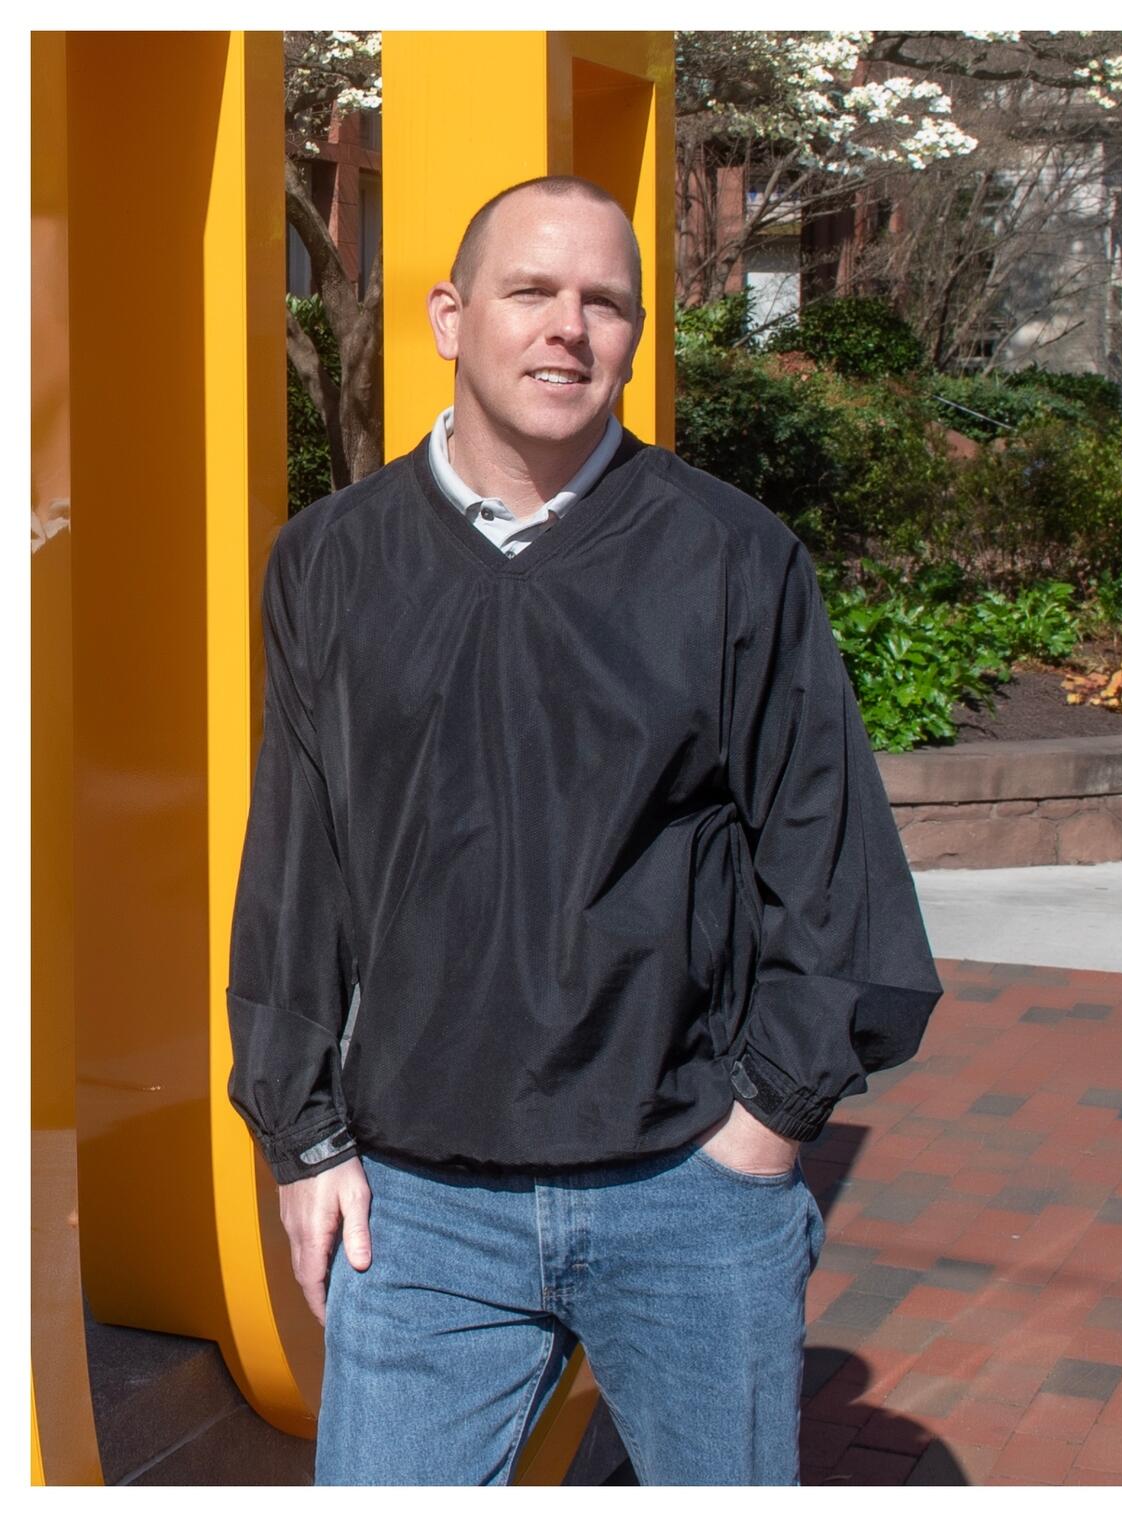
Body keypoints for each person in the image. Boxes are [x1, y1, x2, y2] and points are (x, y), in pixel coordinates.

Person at [224, 175, 942, 1485]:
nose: (569, 326)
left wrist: (764, 1133)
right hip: (421, 1211)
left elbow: (831, 873)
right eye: (532, 291)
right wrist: (301, 1136)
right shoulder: (330, 561)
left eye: (605, 302)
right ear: (450, 317)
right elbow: (296, 867)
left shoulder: (733, 559)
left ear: (635, 337)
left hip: (686, 1191)